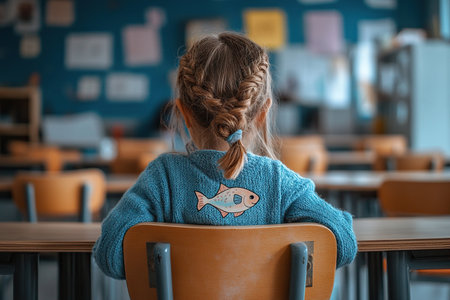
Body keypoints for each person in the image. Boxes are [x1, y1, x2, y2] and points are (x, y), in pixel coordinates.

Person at [93, 32, 357, 279]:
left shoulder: (162, 179)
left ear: (183, 114)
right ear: (263, 114)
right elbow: (343, 243)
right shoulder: (280, 183)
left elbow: (110, 254)